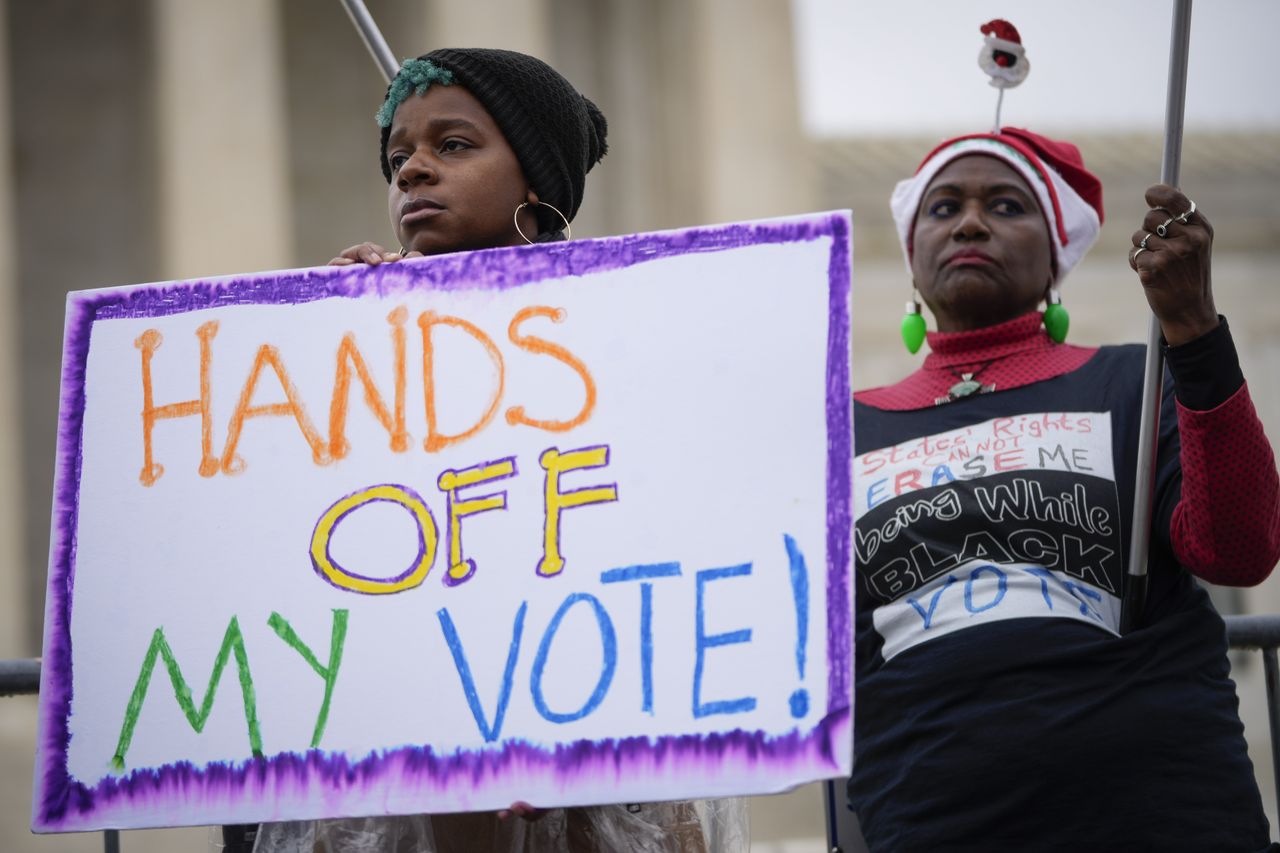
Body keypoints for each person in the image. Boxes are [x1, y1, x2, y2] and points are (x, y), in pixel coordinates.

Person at [239, 48, 745, 853]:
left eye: (454, 146)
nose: (414, 171)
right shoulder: (362, 332)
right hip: (418, 717)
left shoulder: (614, 328)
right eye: (399, 155)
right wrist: (330, 344)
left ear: (536, 183)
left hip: (588, 698)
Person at [847, 127, 1280, 850]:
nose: (972, 222)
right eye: (944, 206)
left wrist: (1194, 330)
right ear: (911, 255)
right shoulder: (840, 430)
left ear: (1056, 256)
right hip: (934, 822)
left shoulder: (1137, 381)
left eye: (1007, 205)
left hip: (1164, 815)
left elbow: (1241, 549)